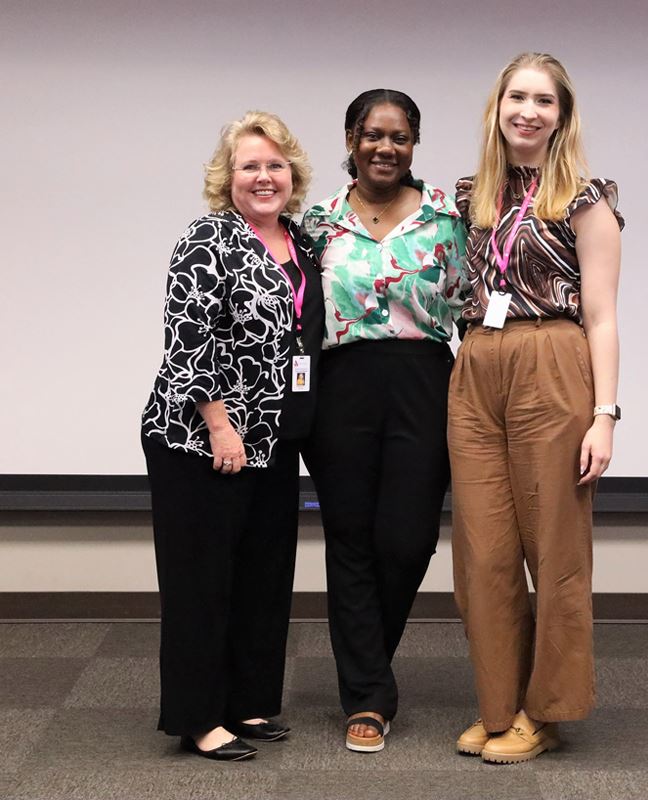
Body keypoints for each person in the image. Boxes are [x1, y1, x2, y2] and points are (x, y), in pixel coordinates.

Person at [449, 52, 624, 764]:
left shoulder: (586, 200)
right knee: (483, 552)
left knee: (555, 550)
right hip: (476, 363)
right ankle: (499, 705)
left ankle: (545, 710)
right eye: (516, 97)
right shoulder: (471, 197)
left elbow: (602, 317)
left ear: (562, 116)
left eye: (544, 101)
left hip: (552, 360)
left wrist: (605, 415)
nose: (528, 111)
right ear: (497, 108)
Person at [141, 111, 324, 761]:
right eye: (250, 166)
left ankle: (247, 700)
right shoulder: (208, 238)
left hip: (272, 440)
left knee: (262, 576)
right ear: (228, 177)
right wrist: (219, 425)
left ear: (293, 174)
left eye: (275, 164)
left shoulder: (301, 243)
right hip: (200, 439)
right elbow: (187, 342)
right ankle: (198, 717)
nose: (264, 176)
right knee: (202, 581)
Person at [301, 89, 467, 753]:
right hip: (340, 387)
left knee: (407, 540)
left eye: (399, 136)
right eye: (373, 134)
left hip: (423, 382)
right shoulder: (317, 223)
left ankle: (368, 666)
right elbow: (298, 315)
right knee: (349, 540)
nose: (385, 148)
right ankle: (367, 696)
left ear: (414, 144)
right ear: (351, 139)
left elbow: (473, 307)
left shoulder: (447, 219)